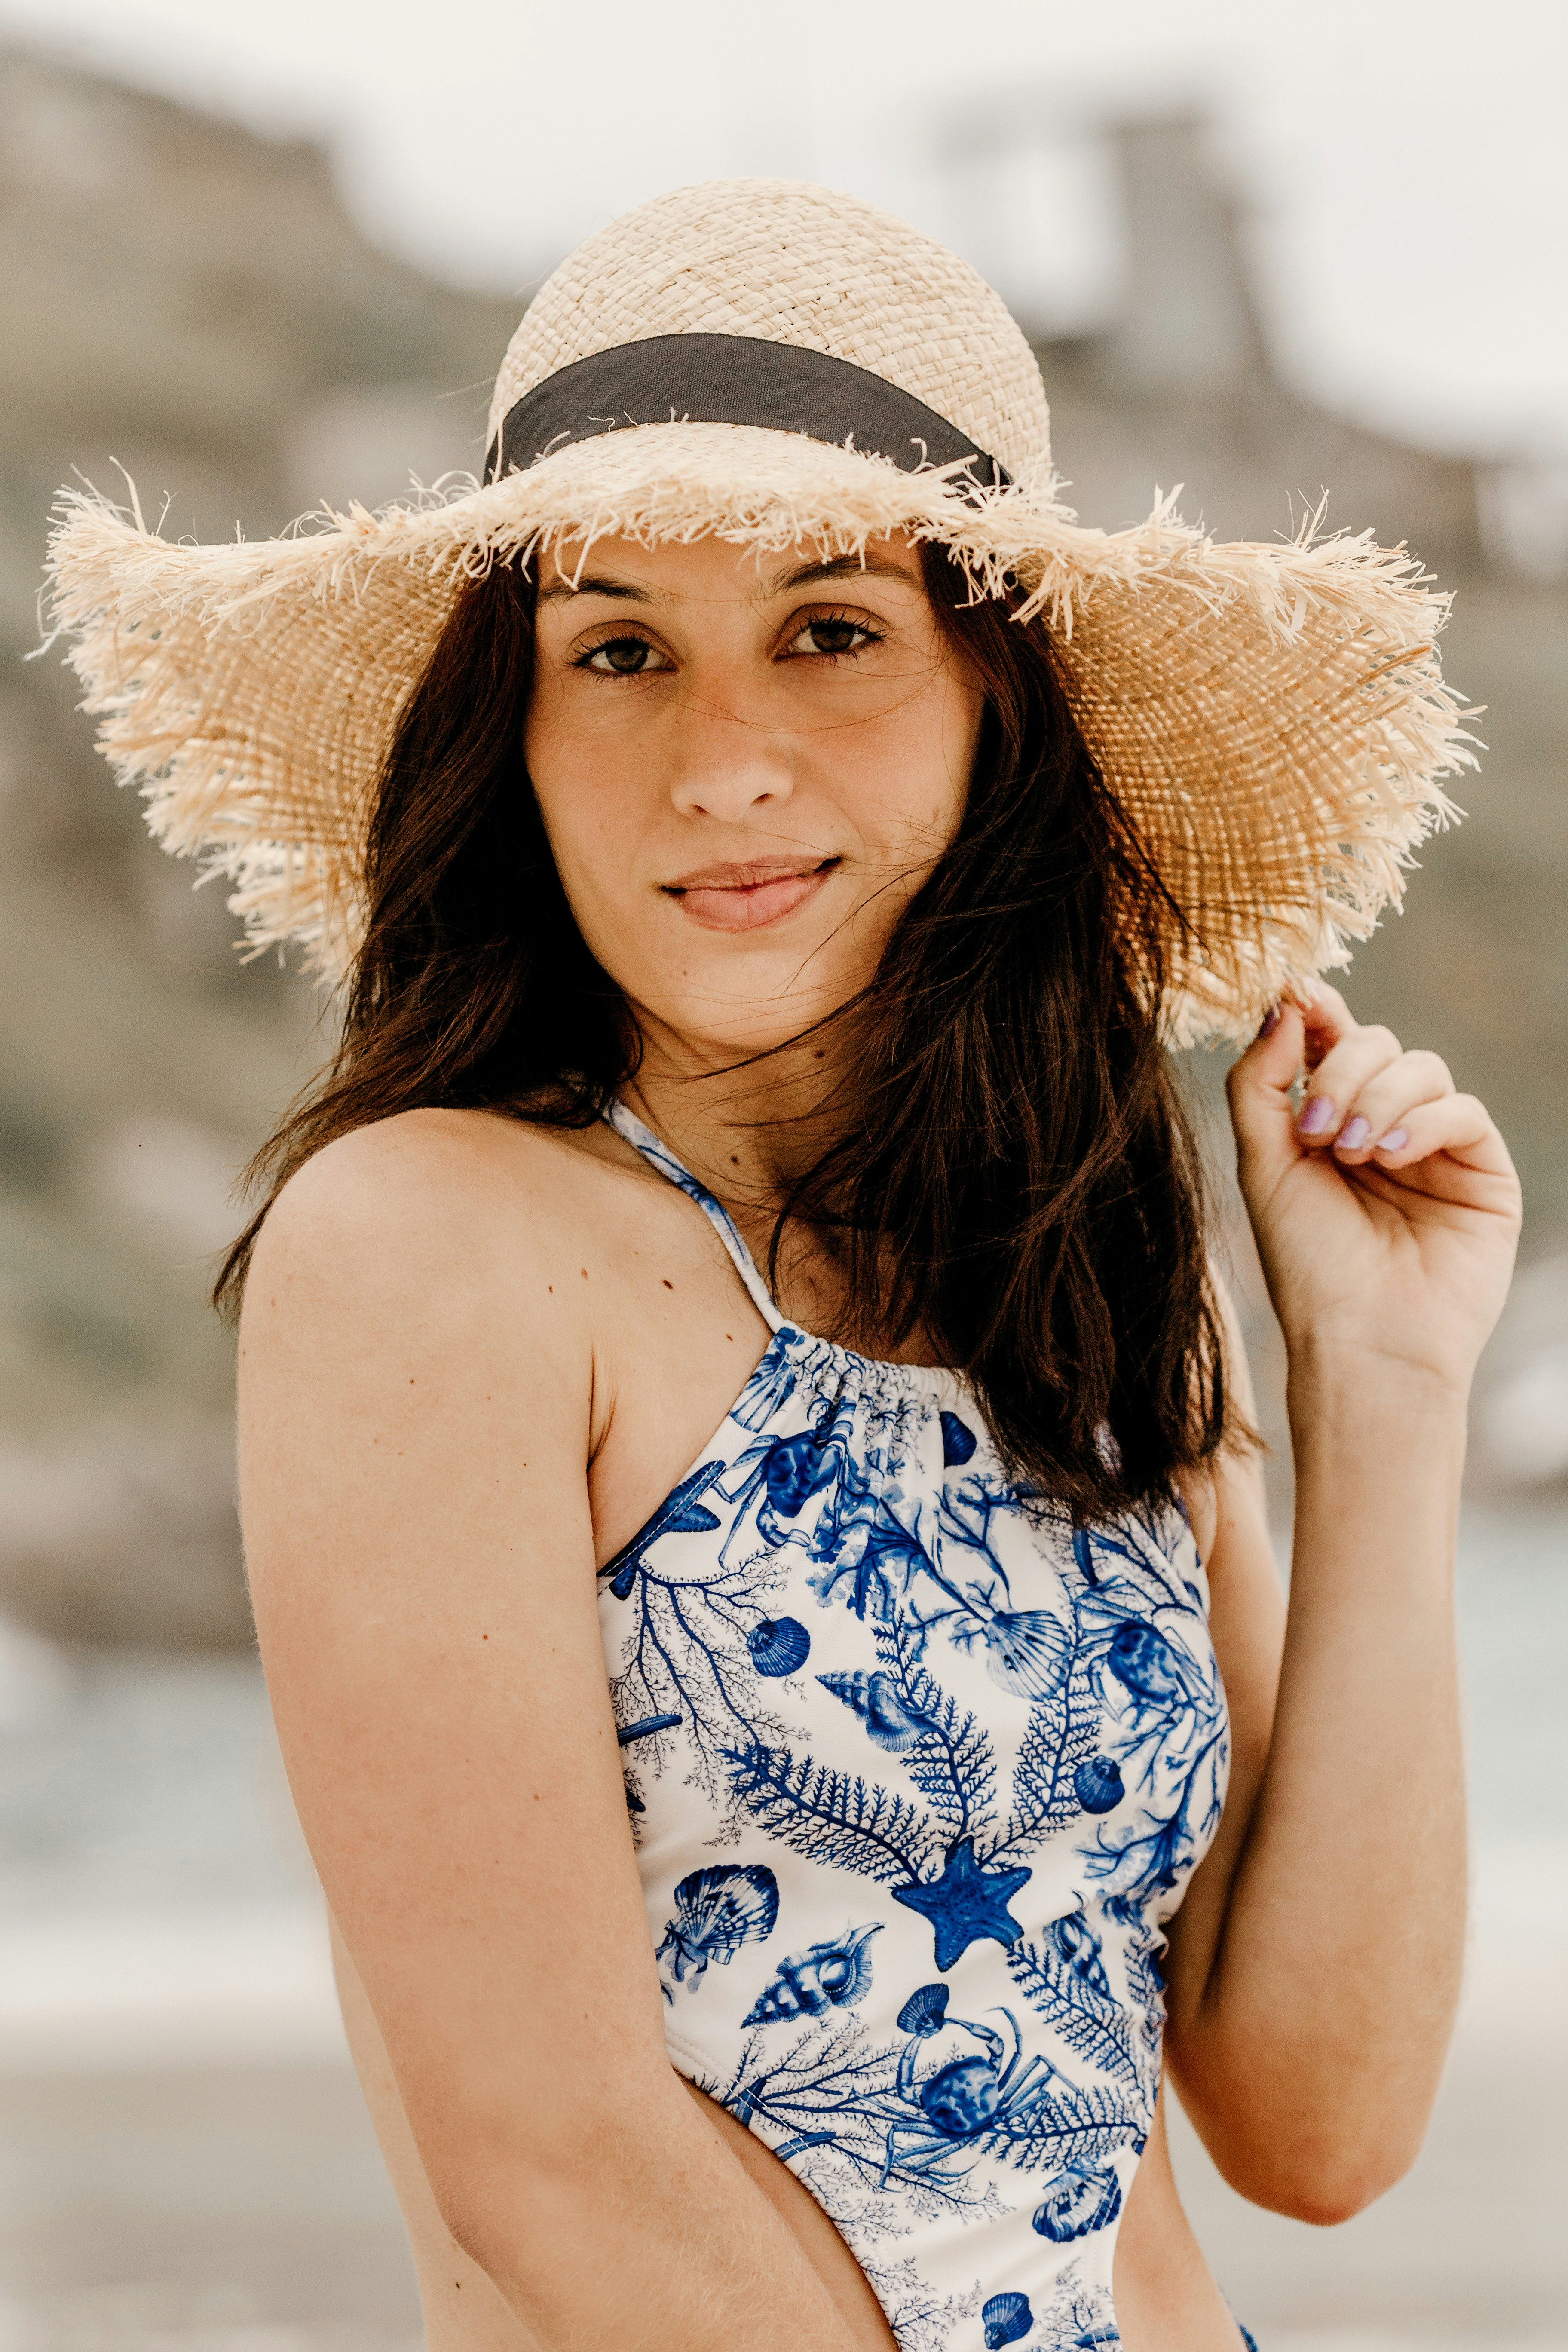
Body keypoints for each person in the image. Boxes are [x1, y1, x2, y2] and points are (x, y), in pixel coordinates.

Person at [50, 181, 1519, 2352]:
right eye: (617, 650)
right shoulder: (434, 1246)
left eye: (832, 631)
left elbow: (1322, 2121)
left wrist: (1385, 1398)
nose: (722, 763)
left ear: (992, 701)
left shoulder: (1087, 1271)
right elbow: (553, 2164)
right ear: (515, 736)